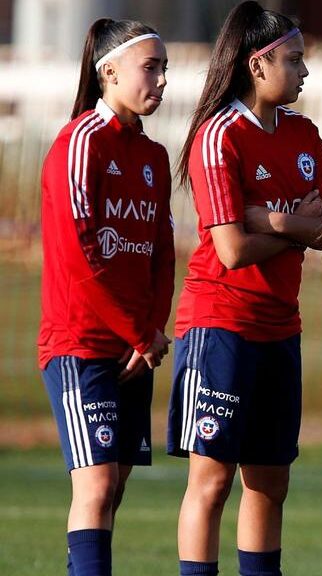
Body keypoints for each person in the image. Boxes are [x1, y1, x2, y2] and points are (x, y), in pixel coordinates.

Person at [167, 2, 322, 575]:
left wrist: (269, 219)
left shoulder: (306, 135)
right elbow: (231, 252)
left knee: (269, 483)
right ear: (257, 65)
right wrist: (295, 225)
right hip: (220, 326)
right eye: (294, 59)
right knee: (211, 483)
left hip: (280, 328)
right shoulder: (218, 136)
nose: (305, 72)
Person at [38, 18, 172, 576]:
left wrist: (151, 332)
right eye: (150, 67)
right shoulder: (79, 142)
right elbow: (79, 255)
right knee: (94, 487)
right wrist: (138, 333)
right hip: (82, 344)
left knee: (112, 487)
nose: (161, 80)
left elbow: (162, 252)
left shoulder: (154, 156)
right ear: (108, 72)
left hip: (133, 350)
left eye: (164, 68)